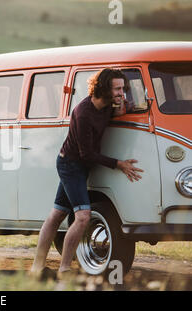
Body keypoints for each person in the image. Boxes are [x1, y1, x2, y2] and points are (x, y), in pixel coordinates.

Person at [30, 68, 144, 278]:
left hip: (78, 165)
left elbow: (118, 111)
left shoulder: (106, 105)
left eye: (122, 88)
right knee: (82, 217)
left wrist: (122, 104)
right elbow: (87, 155)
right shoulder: (83, 113)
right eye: (117, 88)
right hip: (71, 165)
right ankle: (64, 269)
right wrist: (119, 164)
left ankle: (37, 268)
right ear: (103, 88)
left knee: (57, 214)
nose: (121, 92)